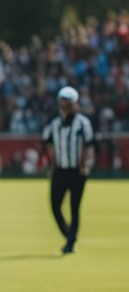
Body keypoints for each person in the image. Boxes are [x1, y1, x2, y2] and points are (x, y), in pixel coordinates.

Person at [42, 86, 98, 254]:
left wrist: (86, 165)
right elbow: (47, 142)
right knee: (55, 206)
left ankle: (70, 243)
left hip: (77, 171)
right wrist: (51, 164)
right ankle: (69, 235)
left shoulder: (83, 123)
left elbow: (90, 145)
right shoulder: (54, 123)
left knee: (74, 207)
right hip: (60, 171)